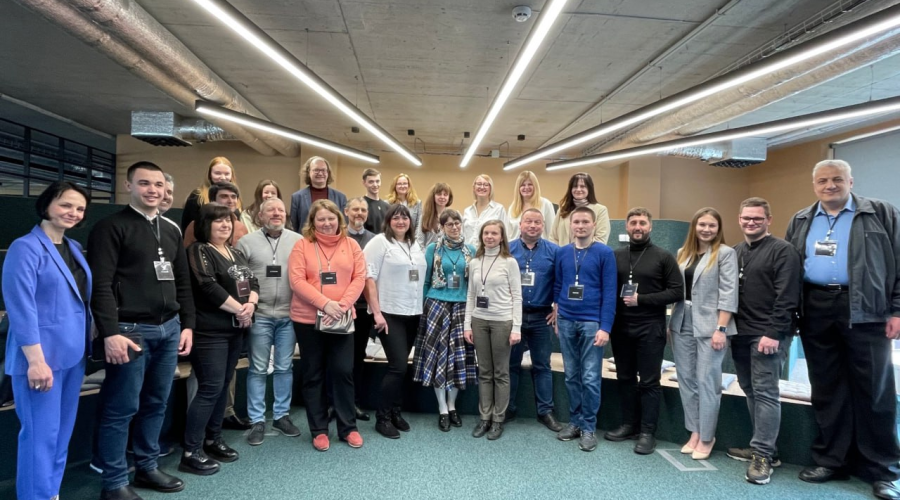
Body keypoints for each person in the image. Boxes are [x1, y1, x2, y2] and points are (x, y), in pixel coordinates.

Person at [785, 160, 900, 500]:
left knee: (875, 390)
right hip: (816, 307)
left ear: (851, 181)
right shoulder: (801, 219)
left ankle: (883, 470)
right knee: (826, 388)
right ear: (814, 184)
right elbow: (790, 268)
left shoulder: (881, 213)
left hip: (867, 309)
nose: (830, 185)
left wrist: (897, 310)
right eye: (822, 180)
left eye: (837, 179)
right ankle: (832, 460)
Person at [89, 161, 195, 500]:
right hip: (129, 332)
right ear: (128, 186)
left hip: (169, 329)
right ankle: (114, 482)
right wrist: (109, 332)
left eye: (158, 185)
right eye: (145, 183)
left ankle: (147, 466)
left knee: (156, 403)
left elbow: (182, 282)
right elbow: (101, 285)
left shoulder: (171, 230)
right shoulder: (111, 227)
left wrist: (188, 325)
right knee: (121, 408)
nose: (153, 190)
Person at [3, 181, 92, 500]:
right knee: (40, 437)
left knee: (60, 434)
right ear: (47, 204)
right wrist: (36, 361)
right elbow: (21, 308)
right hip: (40, 359)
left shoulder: (74, 247)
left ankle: (50, 493)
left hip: (72, 356)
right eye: (66, 204)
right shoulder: (24, 247)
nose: (73, 212)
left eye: (80, 209)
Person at [726, 197, 801, 484]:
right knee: (749, 390)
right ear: (739, 219)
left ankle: (762, 455)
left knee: (766, 392)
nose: (751, 222)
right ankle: (766, 448)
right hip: (740, 332)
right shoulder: (736, 251)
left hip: (767, 334)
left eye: (757, 218)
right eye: (746, 218)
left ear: (769, 220)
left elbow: (788, 297)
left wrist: (773, 333)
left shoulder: (783, 251)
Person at [181, 203, 259, 475]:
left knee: (223, 385)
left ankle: (213, 439)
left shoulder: (235, 252)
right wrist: (240, 310)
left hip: (235, 329)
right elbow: (207, 286)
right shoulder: (199, 250)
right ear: (206, 225)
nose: (225, 225)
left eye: (228, 220)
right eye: (218, 221)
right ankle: (191, 451)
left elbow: (253, 282)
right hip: (209, 332)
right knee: (210, 388)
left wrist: (251, 305)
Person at [289, 199, 366, 451]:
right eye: (320, 219)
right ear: (312, 222)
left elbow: (359, 277)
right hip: (308, 321)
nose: (326, 223)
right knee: (313, 374)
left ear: (338, 220)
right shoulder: (302, 246)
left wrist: (341, 306)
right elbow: (297, 281)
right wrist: (325, 304)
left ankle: (348, 428)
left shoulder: (351, 245)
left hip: (342, 319)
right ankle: (319, 429)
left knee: (343, 371)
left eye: (331, 218)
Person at [605, 207, 683, 455]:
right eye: (633, 223)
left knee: (649, 381)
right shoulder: (615, 256)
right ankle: (629, 425)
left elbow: (677, 292)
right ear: (626, 227)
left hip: (650, 327)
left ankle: (648, 432)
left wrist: (642, 299)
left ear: (650, 226)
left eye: (642, 223)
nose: (637, 227)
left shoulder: (663, 257)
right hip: (620, 327)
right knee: (625, 378)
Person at [668, 207, 738, 461]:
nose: (706, 229)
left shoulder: (725, 254)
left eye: (712, 225)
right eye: (702, 225)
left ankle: (707, 437)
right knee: (686, 380)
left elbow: (729, 293)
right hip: (682, 321)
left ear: (718, 229)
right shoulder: (683, 253)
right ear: (694, 227)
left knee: (707, 381)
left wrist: (721, 329)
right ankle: (695, 431)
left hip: (712, 326)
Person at [236, 198, 304, 446]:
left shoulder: (298, 241)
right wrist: (246, 306)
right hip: (260, 315)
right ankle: (257, 420)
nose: (276, 213)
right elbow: (240, 280)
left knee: (285, 367)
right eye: (270, 210)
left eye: (280, 210)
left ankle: (281, 416)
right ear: (260, 216)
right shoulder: (246, 243)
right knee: (258, 369)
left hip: (289, 315)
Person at [553, 207, 617, 452]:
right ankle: (575, 422)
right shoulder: (562, 252)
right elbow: (559, 285)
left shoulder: (604, 253)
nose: (580, 226)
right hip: (566, 320)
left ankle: (589, 427)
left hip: (592, 323)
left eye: (585, 222)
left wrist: (605, 327)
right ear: (571, 225)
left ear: (593, 225)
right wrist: (557, 316)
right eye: (576, 222)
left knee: (590, 377)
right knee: (571, 375)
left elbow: (609, 292)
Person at [364, 204, 427, 439]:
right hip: (388, 313)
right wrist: (376, 313)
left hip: (413, 313)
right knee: (398, 366)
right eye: (396, 217)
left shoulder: (414, 244)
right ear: (388, 220)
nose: (401, 221)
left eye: (405, 218)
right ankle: (382, 418)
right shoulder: (379, 242)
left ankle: (394, 412)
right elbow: (368, 279)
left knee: (401, 368)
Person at [413, 208, 476, 431]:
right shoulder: (433, 249)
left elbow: (473, 283)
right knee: (438, 357)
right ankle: (441, 408)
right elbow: (426, 281)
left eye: (457, 223)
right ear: (441, 227)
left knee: (458, 359)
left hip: (461, 307)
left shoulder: (471, 250)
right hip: (436, 306)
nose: (454, 227)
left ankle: (452, 406)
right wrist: (422, 308)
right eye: (449, 224)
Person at [464, 219, 522, 441]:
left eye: (494, 233)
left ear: (501, 237)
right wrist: (467, 325)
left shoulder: (509, 262)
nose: (489, 237)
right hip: (479, 321)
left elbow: (517, 296)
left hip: (502, 321)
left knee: (501, 373)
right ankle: (484, 417)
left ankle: (498, 419)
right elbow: (471, 295)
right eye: (486, 233)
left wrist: (516, 327)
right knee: (485, 372)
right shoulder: (475, 262)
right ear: (481, 236)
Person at [507, 208, 563, 431]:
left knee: (542, 365)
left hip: (542, 317)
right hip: (514, 317)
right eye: (528, 221)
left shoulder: (554, 251)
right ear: (520, 225)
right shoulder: (507, 249)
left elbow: (562, 280)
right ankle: (508, 408)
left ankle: (545, 411)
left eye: (537, 222)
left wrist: (558, 306)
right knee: (510, 364)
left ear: (543, 225)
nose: (532, 225)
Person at [344, 197, 376, 421]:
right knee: (337, 359)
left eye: (363, 210)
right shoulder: (338, 237)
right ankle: (333, 403)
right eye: (355, 209)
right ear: (346, 211)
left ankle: (353, 403)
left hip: (363, 309)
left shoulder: (374, 240)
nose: (359, 213)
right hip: (339, 308)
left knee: (358, 357)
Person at [290, 156, 347, 233]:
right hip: (306, 238)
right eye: (316, 170)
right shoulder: (297, 197)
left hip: (333, 239)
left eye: (323, 170)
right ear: (308, 172)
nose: (320, 173)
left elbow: (343, 224)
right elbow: (294, 225)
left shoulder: (340, 197)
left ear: (328, 173)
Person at [181, 156, 239, 231]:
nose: (223, 177)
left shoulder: (235, 196)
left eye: (227, 174)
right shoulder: (197, 196)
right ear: (209, 175)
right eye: (217, 173)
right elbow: (187, 226)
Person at [549, 172, 609, 245]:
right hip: (562, 252)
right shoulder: (563, 209)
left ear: (589, 189)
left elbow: (601, 239)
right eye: (575, 186)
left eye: (582, 186)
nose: (578, 189)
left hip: (589, 252)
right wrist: (561, 251)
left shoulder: (600, 210)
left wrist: (578, 250)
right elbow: (553, 237)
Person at [184, 182, 249, 248]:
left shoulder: (240, 227)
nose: (230, 201)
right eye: (224, 196)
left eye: (233, 197)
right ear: (212, 199)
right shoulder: (196, 225)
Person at [462, 174, 509, 248]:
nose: (482, 187)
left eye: (486, 185)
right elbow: (463, 235)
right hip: (468, 253)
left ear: (490, 188)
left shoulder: (499, 209)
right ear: (474, 187)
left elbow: (506, 235)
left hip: (490, 252)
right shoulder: (467, 211)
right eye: (479, 184)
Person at [507, 171, 555, 240]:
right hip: (516, 246)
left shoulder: (546, 204)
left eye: (530, 184)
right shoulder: (512, 207)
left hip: (540, 246)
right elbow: (508, 235)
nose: (526, 187)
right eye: (523, 185)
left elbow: (552, 234)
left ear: (535, 186)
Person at [417, 182, 453, 249]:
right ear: (433, 196)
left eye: (445, 195)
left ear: (449, 197)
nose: (442, 197)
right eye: (439, 194)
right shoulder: (424, 217)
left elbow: (458, 239)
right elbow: (419, 242)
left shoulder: (453, 216)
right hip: (428, 254)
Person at [362, 168, 390, 234]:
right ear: (364, 183)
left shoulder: (387, 207)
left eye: (377, 181)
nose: (375, 185)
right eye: (371, 182)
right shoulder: (361, 205)